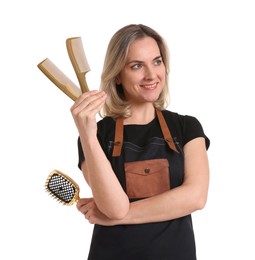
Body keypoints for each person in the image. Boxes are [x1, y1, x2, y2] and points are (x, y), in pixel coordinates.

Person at [71, 24, 210, 260]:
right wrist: (87, 134)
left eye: (157, 61)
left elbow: (195, 197)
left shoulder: (186, 127)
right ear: (117, 76)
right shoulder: (98, 135)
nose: (151, 75)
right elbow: (115, 207)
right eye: (136, 66)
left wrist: (117, 217)